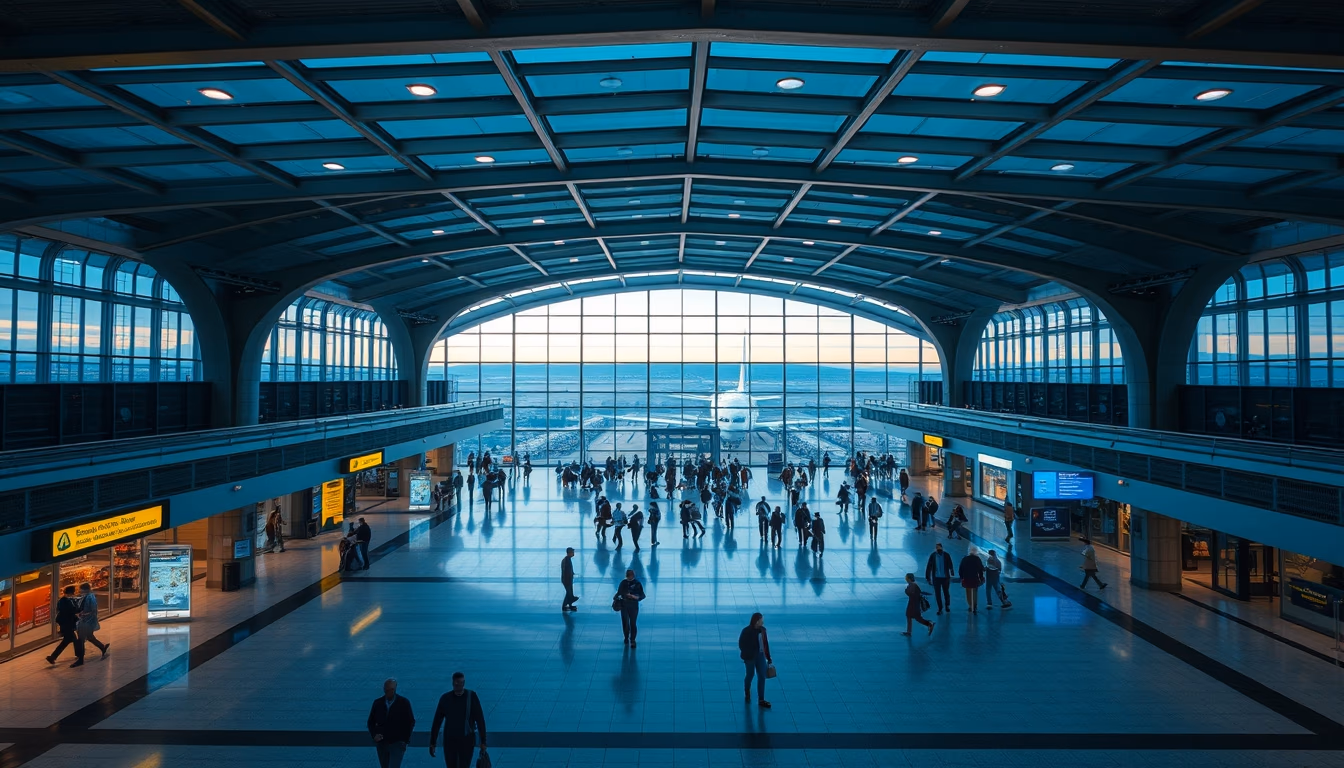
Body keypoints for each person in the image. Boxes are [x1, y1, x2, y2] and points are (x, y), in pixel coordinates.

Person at [429, 672, 487, 768]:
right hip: (453, 740)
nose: (458, 685)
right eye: (457, 683)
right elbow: (437, 722)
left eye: (460, 683)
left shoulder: (470, 697)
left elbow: (480, 719)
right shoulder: (447, 698)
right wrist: (432, 742)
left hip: (465, 740)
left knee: (462, 765)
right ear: (453, 683)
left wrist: (483, 741)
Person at [368, 678, 415, 768]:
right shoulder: (378, 703)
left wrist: (405, 740)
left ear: (395, 689)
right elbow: (371, 722)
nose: (389, 692)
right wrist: (374, 735)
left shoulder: (403, 703)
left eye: (391, 690)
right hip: (382, 742)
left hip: (397, 742)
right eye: (387, 690)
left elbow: (410, 722)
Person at [738, 612, 773, 709]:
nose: (763, 622)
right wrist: (748, 653)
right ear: (756, 621)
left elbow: (765, 644)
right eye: (761, 620)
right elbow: (741, 644)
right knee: (750, 674)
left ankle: (761, 699)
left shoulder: (763, 630)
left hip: (760, 655)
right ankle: (747, 691)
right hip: (750, 657)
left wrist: (768, 657)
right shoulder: (746, 631)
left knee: (762, 676)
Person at [46, 585, 85, 667]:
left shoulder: (64, 601)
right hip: (67, 624)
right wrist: (78, 609)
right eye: (72, 593)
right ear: (70, 593)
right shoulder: (66, 601)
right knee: (73, 640)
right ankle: (79, 655)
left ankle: (53, 657)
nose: (73, 594)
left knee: (67, 641)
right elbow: (71, 611)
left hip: (66, 624)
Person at [76, 582, 109, 658]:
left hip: (87, 620)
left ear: (84, 589)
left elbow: (93, 609)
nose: (79, 590)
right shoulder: (86, 596)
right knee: (89, 637)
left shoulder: (90, 597)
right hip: (86, 620)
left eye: (80, 589)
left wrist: (84, 614)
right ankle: (102, 647)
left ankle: (80, 656)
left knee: (82, 638)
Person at [615, 569, 646, 647]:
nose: (628, 577)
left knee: (632, 622)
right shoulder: (624, 583)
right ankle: (626, 637)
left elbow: (642, 595)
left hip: (633, 605)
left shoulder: (637, 583)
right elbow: (619, 592)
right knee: (625, 622)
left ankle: (632, 639)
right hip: (625, 605)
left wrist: (633, 596)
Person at [924, 543, 955, 615]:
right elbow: (929, 566)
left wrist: (952, 571)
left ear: (942, 547)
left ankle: (947, 605)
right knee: (937, 594)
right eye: (936, 547)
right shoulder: (933, 556)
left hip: (945, 578)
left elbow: (950, 563)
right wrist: (928, 577)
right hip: (936, 578)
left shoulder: (946, 555)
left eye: (939, 547)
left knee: (946, 592)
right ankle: (940, 608)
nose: (938, 549)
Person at [960, 545, 985, 613]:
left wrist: (961, 577)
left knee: (968, 592)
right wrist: (981, 577)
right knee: (975, 592)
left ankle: (971, 606)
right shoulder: (977, 559)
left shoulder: (965, 559)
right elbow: (980, 569)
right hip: (975, 578)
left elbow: (961, 569)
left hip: (967, 578)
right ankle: (975, 605)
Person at [561, 547, 578, 612]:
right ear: (569, 553)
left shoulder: (568, 559)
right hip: (566, 580)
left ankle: (570, 605)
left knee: (570, 593)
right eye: (572, 552)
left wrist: (572, 573)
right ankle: (564, 606)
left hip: (568, 579)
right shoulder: (566, 561)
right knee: (568, 593)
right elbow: (565, 571)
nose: (573, 553)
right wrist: (568, 579)